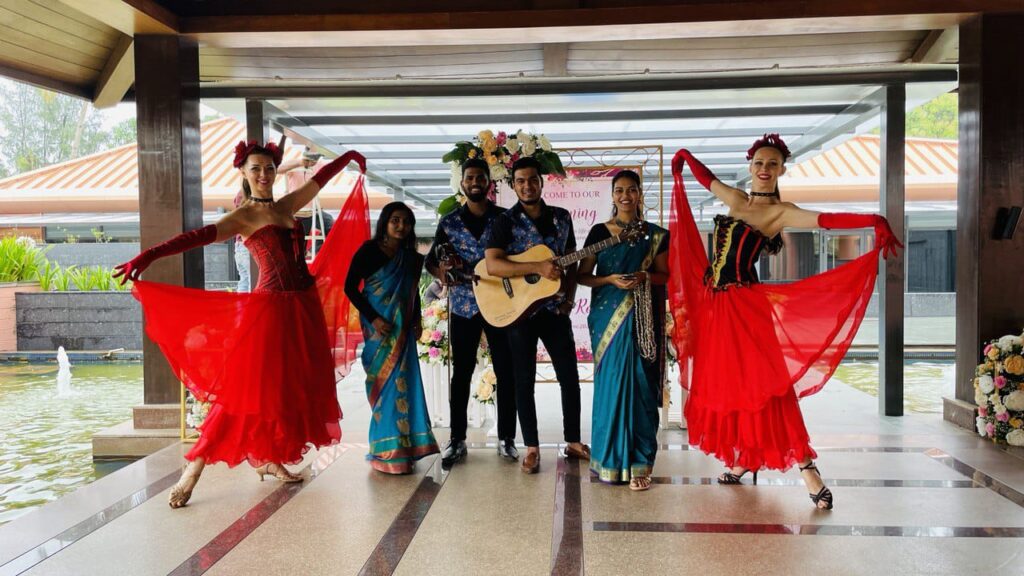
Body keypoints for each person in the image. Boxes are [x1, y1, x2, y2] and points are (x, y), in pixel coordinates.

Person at [115, 140, 369, 508]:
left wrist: (345, 158)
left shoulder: (287, 205)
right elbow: (194, 238)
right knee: (242, 393)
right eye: (256, 169)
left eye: (269, 168)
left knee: (287, 389)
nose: (263, 174)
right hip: (269, 312)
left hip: (302, 309)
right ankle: (193, 471)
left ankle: (270, 459)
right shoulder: (243, 217)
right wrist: (149, 254)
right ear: (244, 174)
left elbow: (321, 180)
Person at [670, 134, 902, 510]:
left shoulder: (782, 212)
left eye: (772, 164)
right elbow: (706, 178)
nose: (764, 169)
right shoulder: (736, 200)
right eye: (759, 163)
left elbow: (826, 220)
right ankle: (745, 459)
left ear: (781, 170)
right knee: (735, 386)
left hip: (745, 309)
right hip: (717, 309)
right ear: (750, 166)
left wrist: (873, 220)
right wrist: (684, 156)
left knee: (767, 389)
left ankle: (808, 470)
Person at [485, 157, 590, 474]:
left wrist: (569, 301)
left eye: (532, 180)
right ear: (513, 185)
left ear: (541, 183)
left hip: (555, 310)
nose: (527, 185)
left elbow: (570, 263)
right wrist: (536, 267)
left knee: (570, 378)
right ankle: (531, 447)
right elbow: (493, 265)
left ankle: (573, 441)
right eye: (520, 181)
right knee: (523, 382)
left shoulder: (561, 217)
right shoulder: (504, 222)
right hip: (520, 313)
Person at [578, 170, 669, 491]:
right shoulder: (599, 233)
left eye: (632, 190)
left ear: (640, 194)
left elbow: (665, 277)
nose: (626, 196)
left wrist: (644, 277)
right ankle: (608, 460)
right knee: (612, 387)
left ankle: (641, 465)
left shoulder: (657, 235)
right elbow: (583, 276)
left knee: (641, 388)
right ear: (612, 195)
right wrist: (610, 280)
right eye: (619, 190)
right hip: (607, 318)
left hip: (642, 318)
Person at [426, 158, 519, 468]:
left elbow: (519, 256)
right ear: (462, 183)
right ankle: (457, 439)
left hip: (502, 305)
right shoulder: (449, 222)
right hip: (464, 307)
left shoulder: (505, 218)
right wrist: (445, 273)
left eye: (480, 176)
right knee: (461, 374)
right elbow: (430, 263)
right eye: (470, 177)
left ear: (488, 183)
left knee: (507, 371)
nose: (475, 181)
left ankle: (506, 438)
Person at [345, 202, 440, 474]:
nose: (401, 226)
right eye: (395, 220)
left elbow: (412, 293)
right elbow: (349, 288)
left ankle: (405, 448)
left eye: (406, 222)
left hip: (404, 331)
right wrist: (374, 318)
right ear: (385, 222)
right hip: (378, 331)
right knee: (384, 387)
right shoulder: (368, 251)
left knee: (405, 386)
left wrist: (418, 321)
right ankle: (384, 451)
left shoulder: (411, 257)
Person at [281, 147, 336, 256]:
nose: (313, 161)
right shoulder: (295, 166)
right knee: (299, 247)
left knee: (331, 225)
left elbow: (331, 167)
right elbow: (278, 169)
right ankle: (304, 255)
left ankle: (314, 249)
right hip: (297, 213)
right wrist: (300, 163)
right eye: (311, 157)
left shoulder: (319, 165)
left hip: (314, 212)